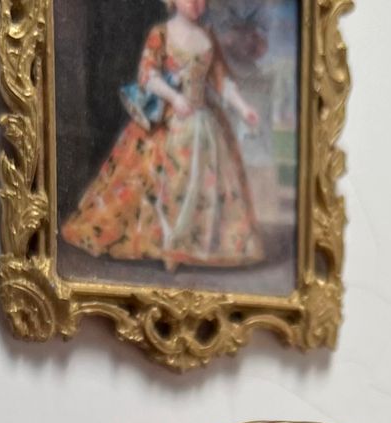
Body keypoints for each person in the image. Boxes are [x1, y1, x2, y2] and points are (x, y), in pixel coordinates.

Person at [63, 0, 265, 270]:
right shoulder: (161, 33)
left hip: (205, 122)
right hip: (168, 121)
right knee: (155, 175)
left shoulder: (208, 37)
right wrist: (175, 98)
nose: (195, 3)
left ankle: (190, 244)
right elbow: (148, 76)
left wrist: (244, 108)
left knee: (205, 180)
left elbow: (221, 81)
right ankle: (168, 245)